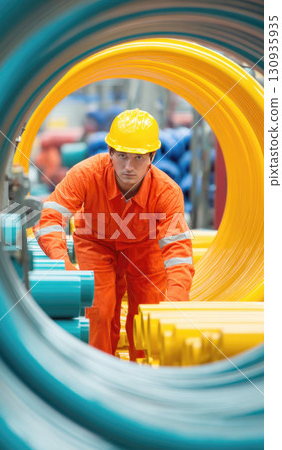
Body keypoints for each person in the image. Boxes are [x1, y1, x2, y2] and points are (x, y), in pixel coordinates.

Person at [34, 108, 195, 361]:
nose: (129, 167)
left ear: (152, 157)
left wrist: (175, 305)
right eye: (122, 156)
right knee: (98, 309)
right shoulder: (86, 174)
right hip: (96, 243)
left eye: (139, 158)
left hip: (145, 248)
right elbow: (49, 219)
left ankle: (145, 377)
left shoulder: (167, 192)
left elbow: (178, 253)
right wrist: (64, 267)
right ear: (110, 152)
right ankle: (99, 372)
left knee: (149, 314)